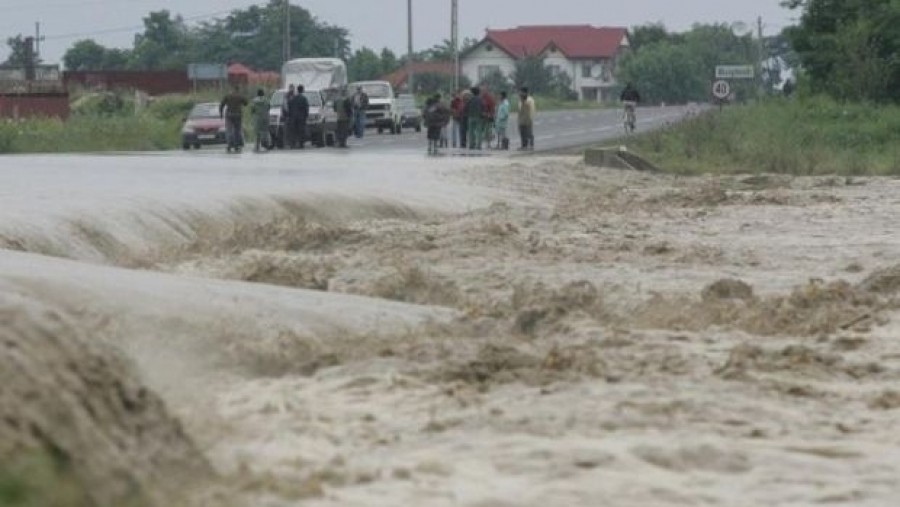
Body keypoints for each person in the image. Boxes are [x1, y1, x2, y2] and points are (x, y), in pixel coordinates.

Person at [219, 85, 248, 153]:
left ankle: (229, 145)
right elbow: (246, 103)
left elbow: (222, 105)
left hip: (229, 115)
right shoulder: (240, 96)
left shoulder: (228, 96)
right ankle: (236, 146)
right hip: (238, 115)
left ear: (232, 89)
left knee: (229, 130)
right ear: (238, 90)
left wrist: (221, 114)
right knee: (237, 131)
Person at [287, 84, 310, 149]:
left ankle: (293, 144)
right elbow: (306, 108)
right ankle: (301, 144)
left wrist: (290, 115)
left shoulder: (293, 98)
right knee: (301, 130)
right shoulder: (304, 98)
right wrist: (306, 116)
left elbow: (289, 106)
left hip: (293, 117)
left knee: (294, 131)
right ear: (302, 90)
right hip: (301, 117)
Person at [250, 88, 271, 153]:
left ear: (257, 94)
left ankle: (257, 146)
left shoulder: (254, 101)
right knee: (265, 132)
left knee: (257, 133)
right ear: (263, 93)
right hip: (265, 117)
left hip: (257, 118)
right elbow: (269, 107)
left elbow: (252, 110)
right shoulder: (267, 100)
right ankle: (266, 145)